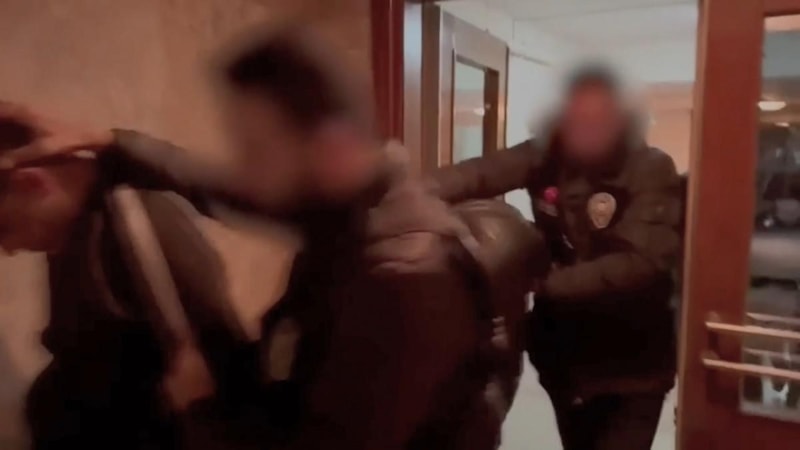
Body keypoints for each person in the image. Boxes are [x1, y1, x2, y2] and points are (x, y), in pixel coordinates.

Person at [0, 27, 535, 449]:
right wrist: (110, 143)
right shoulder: (348, 209)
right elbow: (218, 189)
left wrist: (200, 407)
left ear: (328, 148)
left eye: (255, 148)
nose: (244, 167)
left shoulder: (403, 279)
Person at [429, 65, 683, 450]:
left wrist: (544, 284)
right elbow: (477, 174)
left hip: (632, 365)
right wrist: (401, 194)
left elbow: (640, 263)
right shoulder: (546, 155)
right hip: (566, 361)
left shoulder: (650, 167)